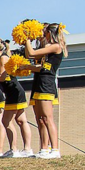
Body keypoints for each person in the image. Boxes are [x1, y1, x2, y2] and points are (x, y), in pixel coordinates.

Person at [26, 22, 67, 159]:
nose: (43, 35)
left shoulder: (55, 46)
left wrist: (26, 38)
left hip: (47, 83)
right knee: (42, 119)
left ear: (50, 33)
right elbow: (31, 55)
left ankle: (55, 150)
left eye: (45, 33)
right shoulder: (49, 47)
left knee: (48, 118)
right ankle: (44, 149)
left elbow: (32, 53)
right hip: (41, 82)